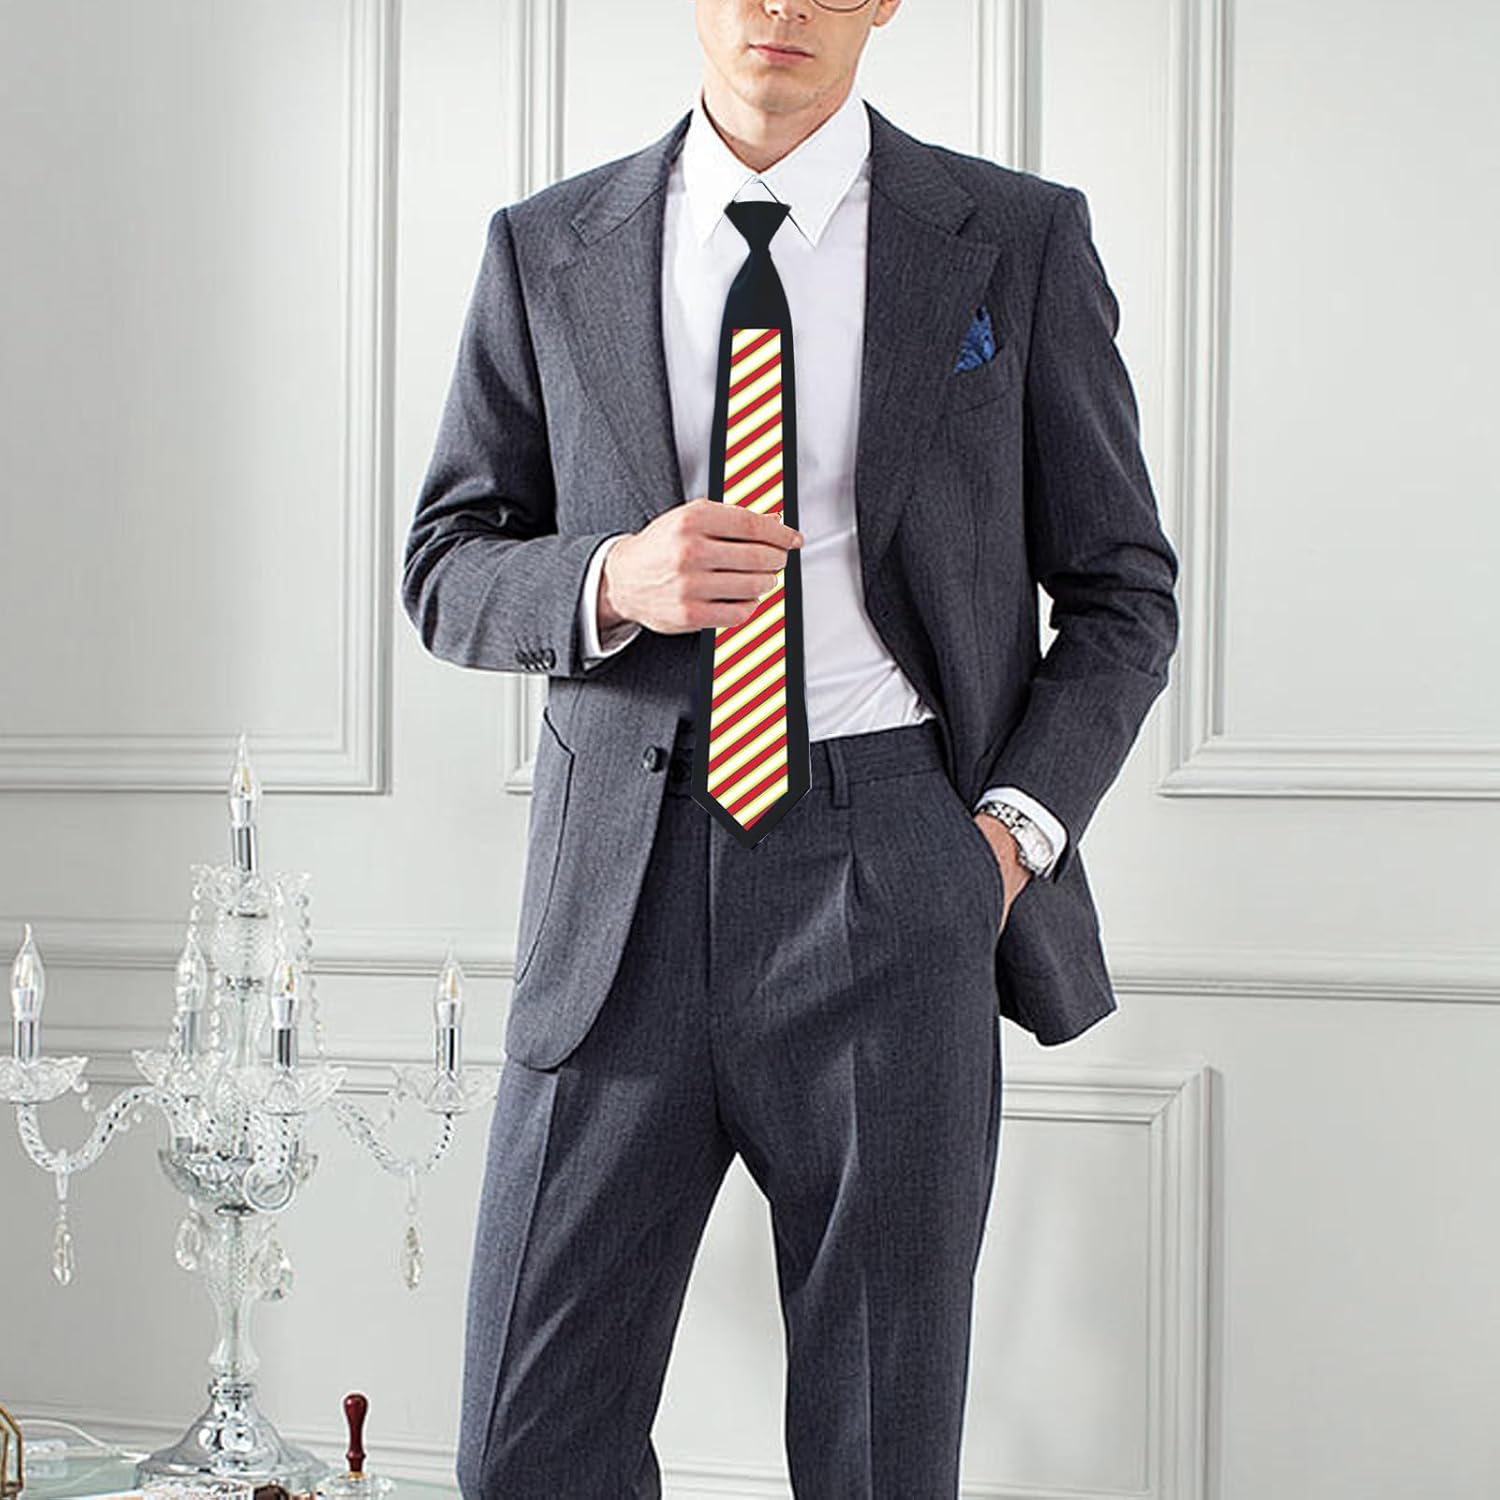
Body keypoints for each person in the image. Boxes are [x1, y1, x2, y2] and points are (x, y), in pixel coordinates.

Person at [402, 0, 1179, 1492]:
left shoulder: (1013, 240)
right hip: (621, 894)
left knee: (880, 1453)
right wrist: (609, 579)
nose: (783, 5)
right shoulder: (549, 247)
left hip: (897, 870)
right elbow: (447, 562)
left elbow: (1121, 591)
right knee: (524, 1449)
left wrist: (1005, 843)